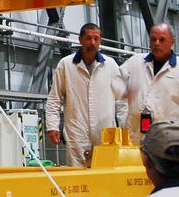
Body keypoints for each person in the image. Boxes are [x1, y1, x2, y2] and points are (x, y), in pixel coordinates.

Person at [43, 22, 126, 166]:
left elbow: (122, 101)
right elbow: (54, 99)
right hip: (77, 133)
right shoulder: (66, 65)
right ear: (80, 40)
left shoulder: (111, 65)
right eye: (89, 38)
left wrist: (125, 130)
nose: (92, 43)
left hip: (106, 134)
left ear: (100, 41)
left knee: (105, 177)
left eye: (96, 39)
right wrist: (52, 126)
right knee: (79, 180)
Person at [122, 23, 179, 150]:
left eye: (162, 40)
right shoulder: (135, 62)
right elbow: (115, 84)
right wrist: (123, 119)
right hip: (135, 141)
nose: (157, 43)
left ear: (172, 42)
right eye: (153, 39)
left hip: (168, 143)